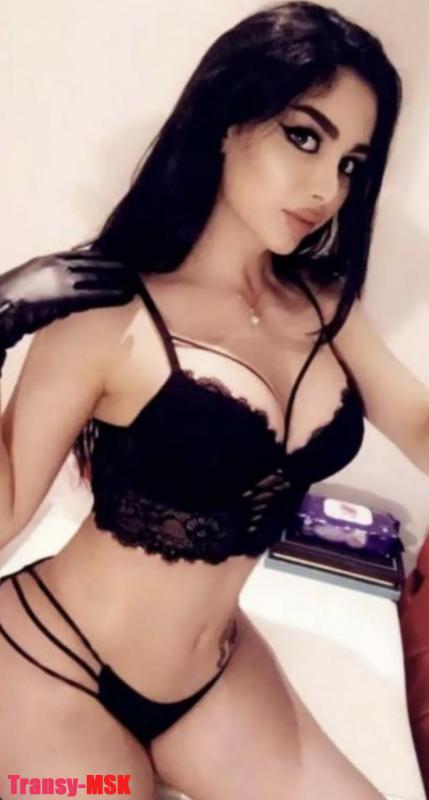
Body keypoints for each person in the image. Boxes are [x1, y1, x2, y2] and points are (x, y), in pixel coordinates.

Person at [0, 1, 423, 797]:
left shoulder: (327, 305)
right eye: (304, 137)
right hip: (52, 663)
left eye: (350, 164)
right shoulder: (109, 309)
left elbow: (419, 424)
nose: (326, 188)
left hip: (214, 676)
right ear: (227, 122)